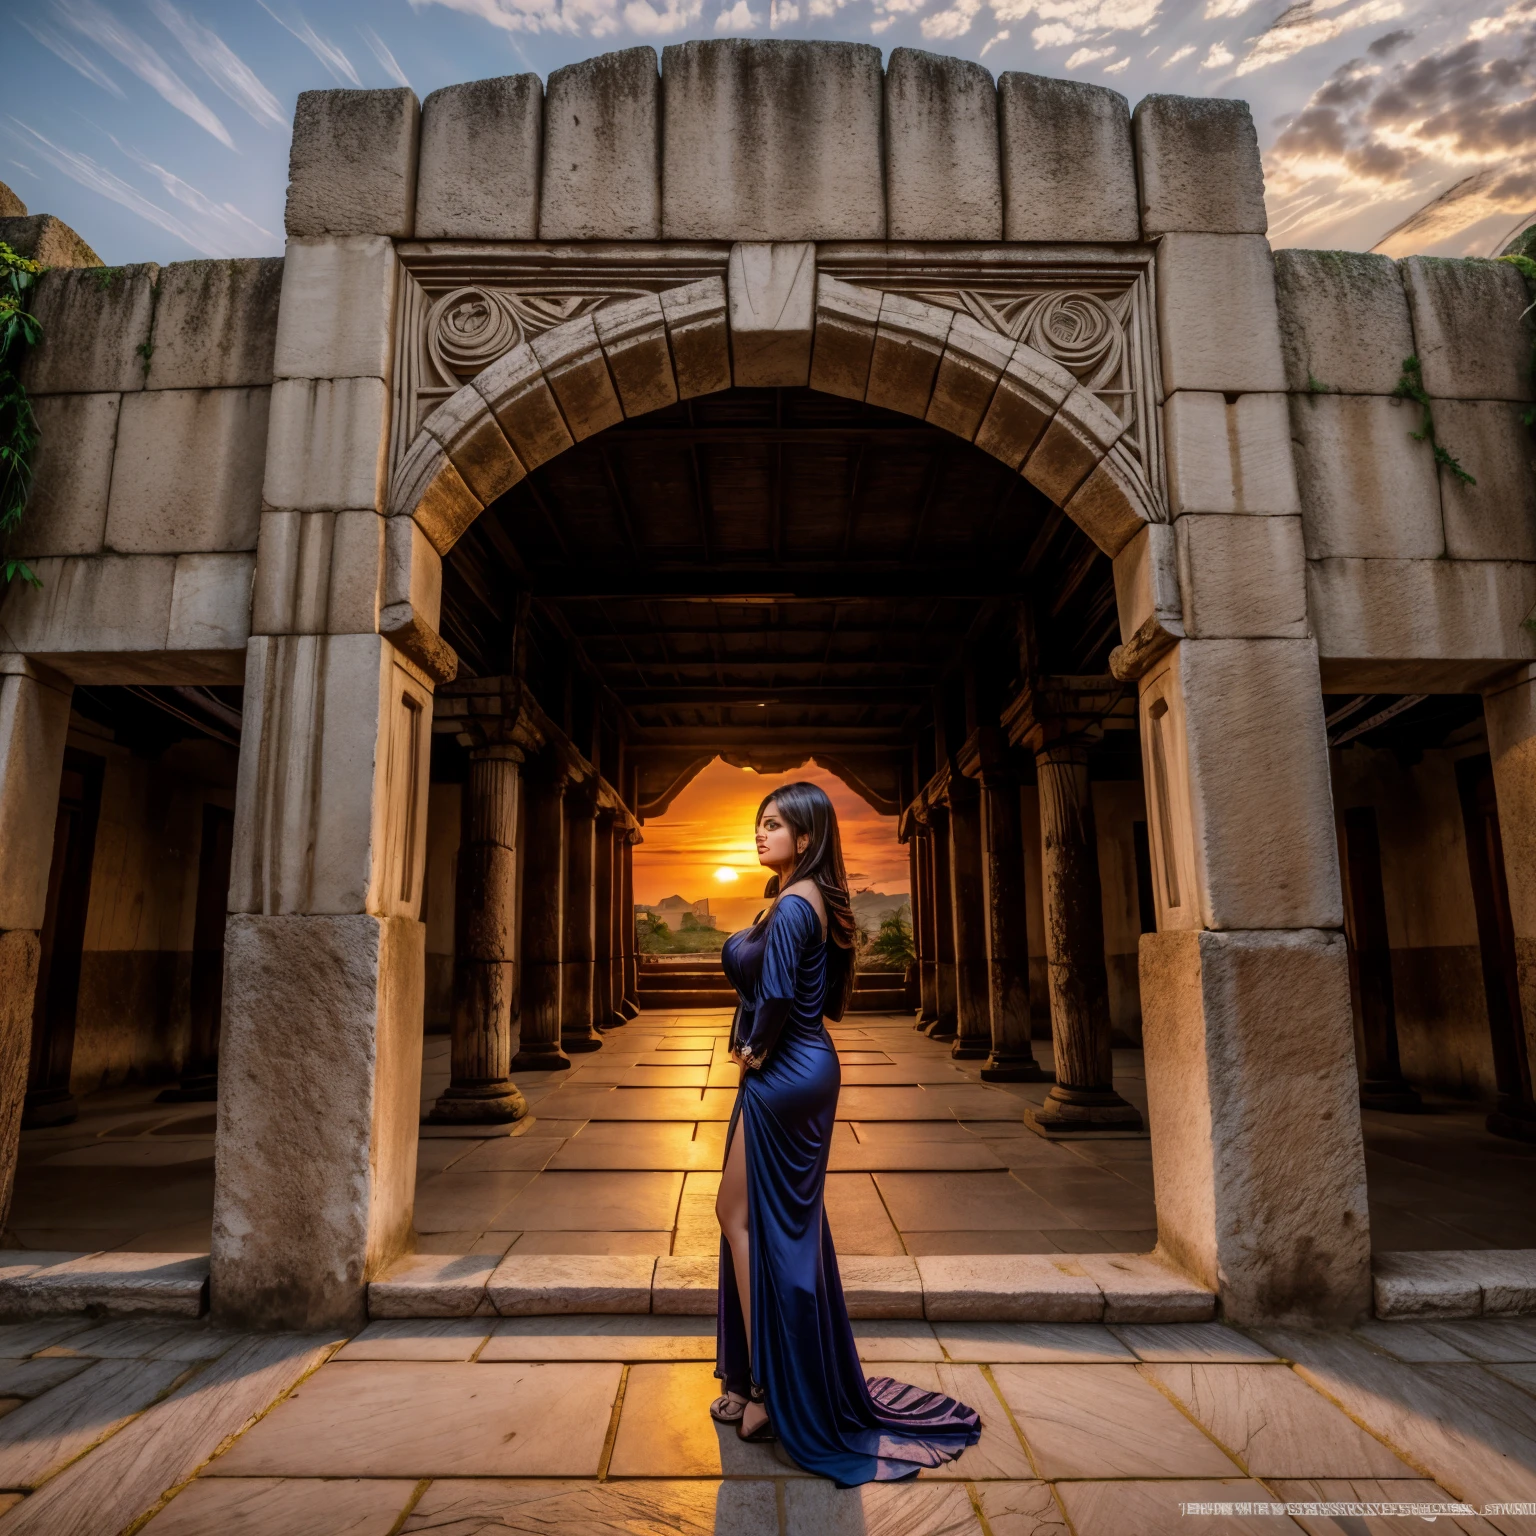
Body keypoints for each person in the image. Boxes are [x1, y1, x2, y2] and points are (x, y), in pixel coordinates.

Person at [711, 781, 982, 1486]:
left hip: (785, 1072)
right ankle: (752, 1378)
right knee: (752, 1220)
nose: (759, 833)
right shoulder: (811, 900)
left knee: (756, 1224)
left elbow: (773, 996)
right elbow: (815, 993)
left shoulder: (796, 902)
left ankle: (770, 1389)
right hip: (805, 1066)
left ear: (806, 837)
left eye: (773, 825)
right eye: (757, 823)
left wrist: (753, 1050)